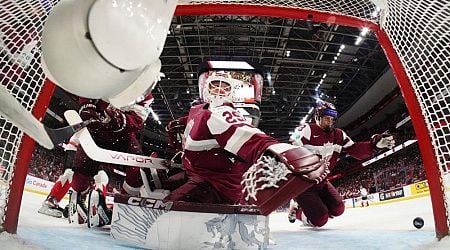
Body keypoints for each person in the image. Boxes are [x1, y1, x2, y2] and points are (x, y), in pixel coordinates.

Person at [163, 64, 329, 214]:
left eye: (224, 87)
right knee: (164, 183)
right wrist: (178, 124)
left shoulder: (219, 112)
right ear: (206, 88)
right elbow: (191, 121)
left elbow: (248, 135)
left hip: (214, 184)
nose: (219, 91)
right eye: (215, 86)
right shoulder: (198, 109)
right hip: (195, 172)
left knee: (166, 210)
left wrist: (283, 151)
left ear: (231, 93)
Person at [287, 100, 395, 227]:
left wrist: (374, 146)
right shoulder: (307, 129)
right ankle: (298, 212)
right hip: (304, 184)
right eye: (326, 118)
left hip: (322, 181)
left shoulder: (339, 135)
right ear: (317, 117)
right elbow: (291, 149)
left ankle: (311, 207)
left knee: (338, 209)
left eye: (332, 119)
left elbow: (355, 150)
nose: (330, 122)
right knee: (320, 220)